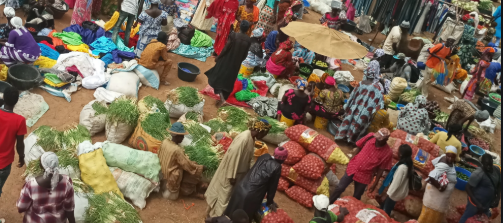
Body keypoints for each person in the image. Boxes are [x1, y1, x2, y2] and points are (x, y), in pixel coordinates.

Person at [205, 119, 272, 217]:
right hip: (231, 173)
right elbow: (233, 156)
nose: (264, 136)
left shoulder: (251, 138)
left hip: (238, 173)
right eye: (265, 133)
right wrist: (231, 176)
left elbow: (249, 158)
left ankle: (212, 215)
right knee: (224, 197)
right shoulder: (244, 139)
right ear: (260, 130)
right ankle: (214, 217)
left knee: (225, 196)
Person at [329, 128, 392, 204]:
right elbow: (359, 146)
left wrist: (375, 183)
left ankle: (351, 211)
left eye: (380, 139)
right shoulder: (370, 136)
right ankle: (329, 203)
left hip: (365, 176)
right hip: (354, 167)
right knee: (340, 188)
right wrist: (351, 160)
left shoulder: (388, 152)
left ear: (386, 140)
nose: (377, 140)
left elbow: (381, 169)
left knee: (357, 196)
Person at [224, 147, 288, 220]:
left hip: (240, 187)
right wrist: (270, 202)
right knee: (241, 219)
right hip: (250, 196)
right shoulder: (277, 167)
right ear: (283, 159)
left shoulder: (265, 156)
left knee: (229, 214)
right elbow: (272, 187)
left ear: (274, 153)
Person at [16, 152, 75, 223]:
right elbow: (69, 208)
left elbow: (21, 207)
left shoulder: (31, 185)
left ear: (41, 166)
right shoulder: (66, 182)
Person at [205, 21, 251, 107]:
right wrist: (238, 61)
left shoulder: (234, 36)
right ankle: (223, 99)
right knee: (229, 81)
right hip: (236, 64)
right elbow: (245, 55)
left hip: (226, 60)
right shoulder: (248, 40)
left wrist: (218, 57)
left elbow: (226, 48)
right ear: (247, 29)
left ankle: (222, 100)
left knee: (218, 77)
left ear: (240, 26)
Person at [157, 122, 205, 200]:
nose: (183, 138)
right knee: (193, 173)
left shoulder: (165, 141)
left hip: (162, 173)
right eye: (182, 136)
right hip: (171, 179)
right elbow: (188, 166)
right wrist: (201, 168)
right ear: (177, 137)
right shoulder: (177, 150)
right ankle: (191, 193)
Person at [0, 87, 26, 218]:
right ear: (16, 102)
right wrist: (22, 157)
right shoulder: (19, 120)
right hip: (3, 164)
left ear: (3, 98)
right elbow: (20, 144)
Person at [334, 78, 384, 144]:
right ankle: (351, 141)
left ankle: (342, 137)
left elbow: (353, 94)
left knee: (349, 120)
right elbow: (380, 105)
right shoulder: (381, 89)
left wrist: (348, 106)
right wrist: (372, 113)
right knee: (358, 126)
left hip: (355, 107)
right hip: (366, 112)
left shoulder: (363, 82)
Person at [417, 147, 458, 223]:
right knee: (429, 216)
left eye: (452, 157)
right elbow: (432, 176)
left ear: (455, 157)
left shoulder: (444, 158)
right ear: (446, 155)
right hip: (436, 197)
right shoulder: (444, 165)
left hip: (438, 197)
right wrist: (439, 187)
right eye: (448, 156)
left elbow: (435, 162)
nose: (449, 158)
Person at [460, 154, 501, 223]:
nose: (488, 167)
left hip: (487, 203)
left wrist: (497, 198)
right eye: (485, 164)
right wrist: (478, 203)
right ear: (482, 164)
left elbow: (499, 184)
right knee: (467, 217)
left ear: (492, 161)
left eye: (489, 164)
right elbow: (468, 188)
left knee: (482, 218)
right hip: (475, 202)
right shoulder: (478, 173)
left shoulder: (497, 170)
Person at [379, 144, 413, 216]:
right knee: (385, 207)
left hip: (394, 194)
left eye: (398, 151)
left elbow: (395, 183)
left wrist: (387, 194)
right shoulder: (407, 164)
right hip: (397, 192)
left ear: (401, 154)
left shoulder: (402, 168)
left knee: (386, 210)